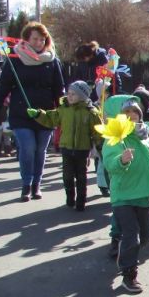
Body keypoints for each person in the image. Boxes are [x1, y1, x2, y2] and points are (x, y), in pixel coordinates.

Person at [101, 98, 149, 293]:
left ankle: (123, 249)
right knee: (132, 236)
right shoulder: (114, 137)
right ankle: (129, 274)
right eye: (126, 112)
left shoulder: (144, 137)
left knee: (146, 236)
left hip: (143, 196)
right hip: (123, 195)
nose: (132, 115)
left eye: (135, 111)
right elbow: (109, 164)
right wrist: (121, 161)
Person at [0, 21, 65, 201]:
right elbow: (4, 85)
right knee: (28, 147)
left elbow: (59, 88)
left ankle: (36, 184)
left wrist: (63, 110)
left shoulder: (51, 60)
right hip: (21, 111)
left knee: (40, 150)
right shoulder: (15, 59)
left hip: (45, 113)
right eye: (35, 39)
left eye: (42, 39)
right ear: (26, 39)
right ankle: (26, 183)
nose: (39, 43)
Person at [27, 81, 102, 211]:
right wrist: (38, 114)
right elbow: (51, 118)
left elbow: (98, 131)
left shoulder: (91, 112)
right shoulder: (64, 109)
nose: (70, 96)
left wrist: (101, 146)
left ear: (82, 96)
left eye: (73, 94)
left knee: (81, 177)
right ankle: (70, 197)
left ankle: (81, 201)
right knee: (67, 176)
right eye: (69, 93)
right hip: (66, 148)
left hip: (82, 149)